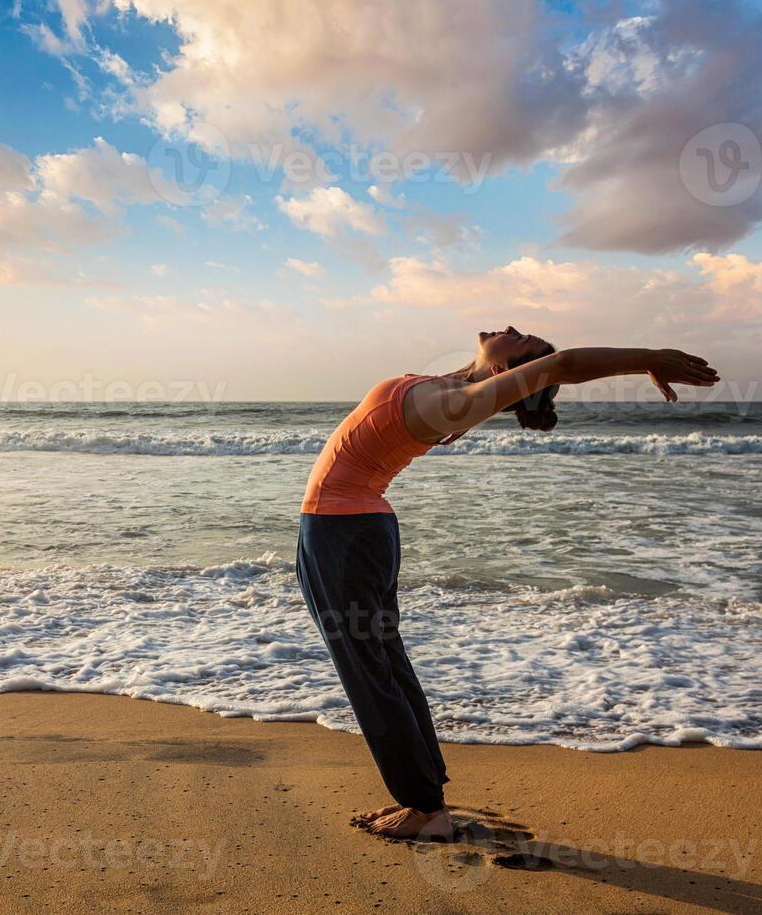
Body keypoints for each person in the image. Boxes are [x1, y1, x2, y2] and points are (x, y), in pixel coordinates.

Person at [296, 328, 719, 839]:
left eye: (519, 339)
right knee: (384, 665)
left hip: (344, 534)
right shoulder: (454, 388)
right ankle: (425, 794)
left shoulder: (454, 403)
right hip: (352, 531)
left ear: (506, 372)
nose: (511, 328)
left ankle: (425, 808)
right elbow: (529, 374)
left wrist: (647, 358)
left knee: (370, 673)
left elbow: (562, 365)